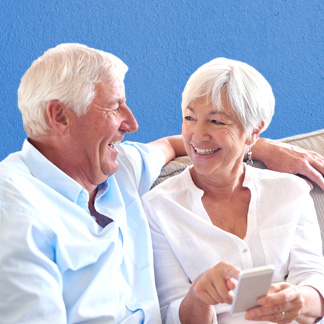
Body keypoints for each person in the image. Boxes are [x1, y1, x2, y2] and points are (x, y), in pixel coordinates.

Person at [0, 44, 323, 324]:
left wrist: (255, 144)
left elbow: (171, 144)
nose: (132, 123)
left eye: (216, 119)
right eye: (114, 106)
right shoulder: (16, 213)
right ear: (60, 117)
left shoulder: (120, 166)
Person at [141, 57, 324, 324]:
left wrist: (299, 299)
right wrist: (199, 296)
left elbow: (313, 276)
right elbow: (170, 313)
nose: (197, 135)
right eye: (189, 118)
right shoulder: (158, 207)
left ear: (253, 132)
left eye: (216, 122)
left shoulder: (290, 191)